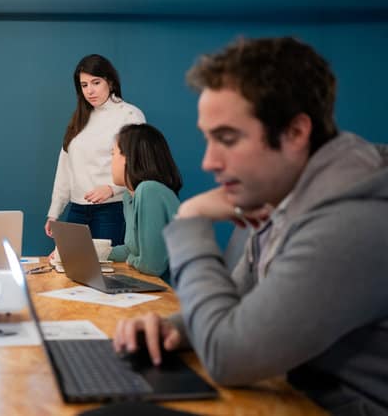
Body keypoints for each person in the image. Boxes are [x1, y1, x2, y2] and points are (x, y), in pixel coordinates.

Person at [114, 37, 388, 414]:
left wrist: (190, 221)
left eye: (227, 138)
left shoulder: (351, 223)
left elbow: (227, 356)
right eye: (207, 139)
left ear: (295, 133)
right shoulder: (281, 200)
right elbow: (243, 306)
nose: (209, 161)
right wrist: (176, 327)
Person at [45, 54, 145, 246]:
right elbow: (65, 169)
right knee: (72, 270)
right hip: (77, 209)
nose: (90, 91)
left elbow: (140, 165)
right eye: (84, 85)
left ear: (110, 82)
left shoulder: (129, 115)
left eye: (96, 82)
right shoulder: (79, 120)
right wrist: (54, 213)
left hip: (112, 209)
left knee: (107, 271)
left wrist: (112, 188)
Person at [107, 123, 182, 280]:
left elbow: (151, 266)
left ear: (128, 158)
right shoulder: (130, 197)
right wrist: (87, 251)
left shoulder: (149, 190)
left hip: (174, 296)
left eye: (113, 154)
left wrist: (131, 261)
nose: (110, 162)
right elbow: (131, 249)